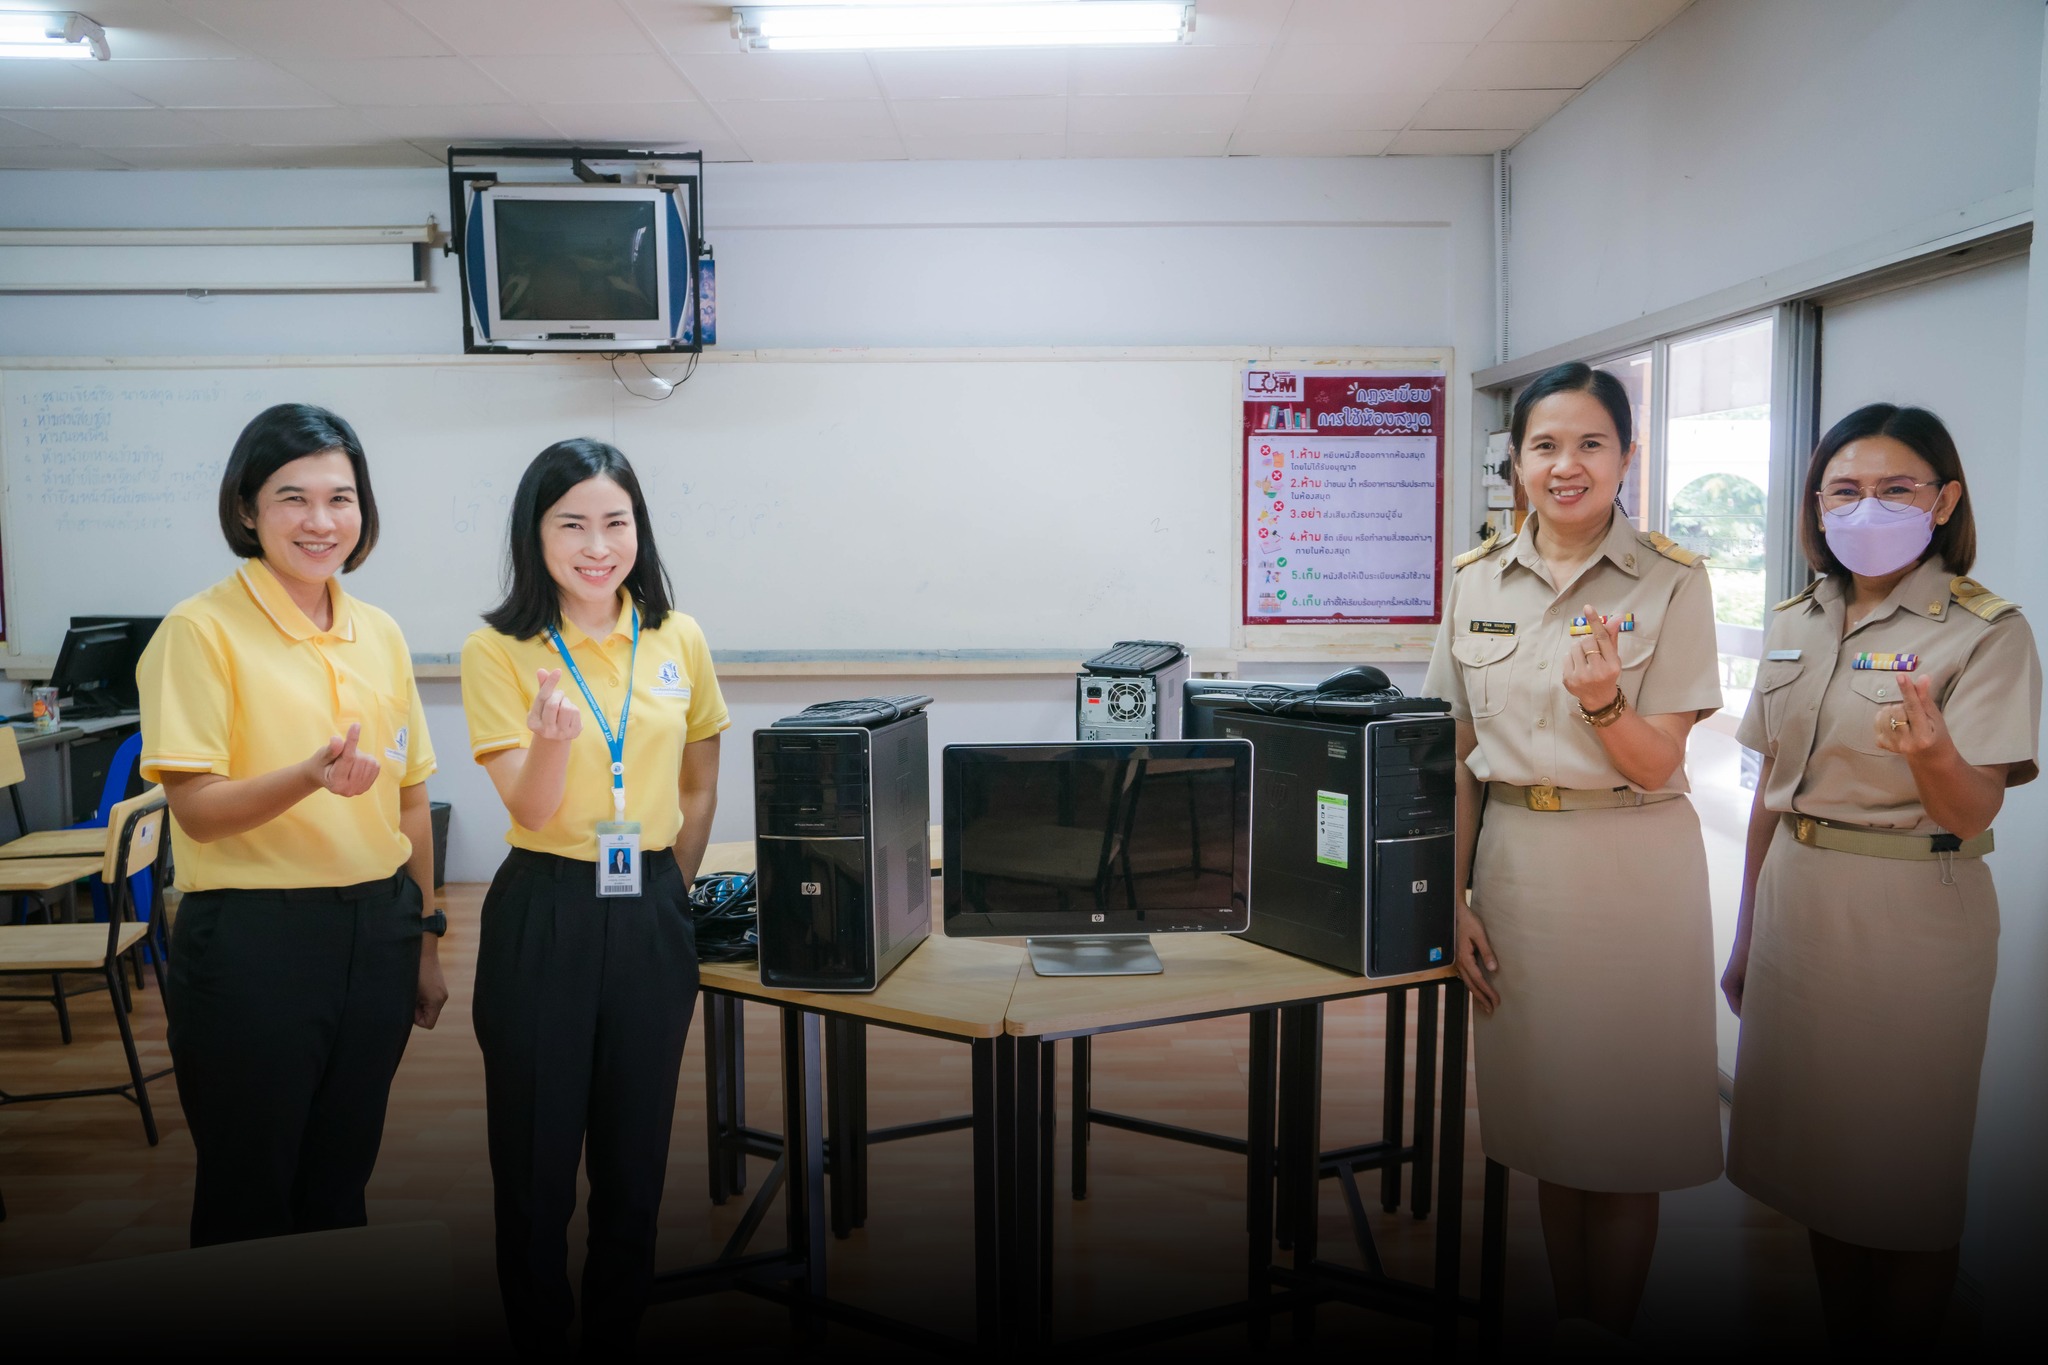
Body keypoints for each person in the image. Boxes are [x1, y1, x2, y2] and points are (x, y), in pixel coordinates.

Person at [1722, 404, 2039, 1347]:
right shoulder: (1795, 620)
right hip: (1797, 908)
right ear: (1816, 507)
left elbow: (1972, 810)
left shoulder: (1985, 631)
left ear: (1943, 500)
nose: (1869, 510)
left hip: (1914, 916)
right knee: (1821, 1170)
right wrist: (1745, 937)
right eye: (1844, 491)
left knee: (1906, 1184)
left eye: (1897, 489)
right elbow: (1770, 799)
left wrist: (1934, 752)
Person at [1425, 362, 1724, 1341]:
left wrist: (1602, 701)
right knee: (1549, 1126)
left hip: (1633, 868)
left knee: (1623, 1132)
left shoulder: (1670, 581)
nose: (1566, 465)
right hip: (1515, 868)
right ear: (1513, 463)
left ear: (1626, 456)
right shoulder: (1474, 582)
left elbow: (1656, 756)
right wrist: (1451, 899)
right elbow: (1454, 761)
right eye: (1544, 445)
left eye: (1590, 443)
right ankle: (1568, 1318)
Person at [138, 403, 445, 1247]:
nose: (321, 521)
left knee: (341, 1181)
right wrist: (306, 778)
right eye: (292, 498)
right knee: (250, 1194)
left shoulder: (377, 631)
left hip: (377, 930)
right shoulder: (198, 632)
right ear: (247, 508)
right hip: (253, 944)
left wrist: (422, 940)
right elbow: (196, 811)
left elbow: (411, 798)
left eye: (340, 498)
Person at [461, 437, 728, 1352]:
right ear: (535, 535)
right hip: (546, 906)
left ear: (638, 529)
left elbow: (698, 783)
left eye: (615, 521)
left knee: (635, 1157)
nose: (596, 543)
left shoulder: (675, 635)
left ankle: (616, 1330)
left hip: (650, 904)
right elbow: (530, 805)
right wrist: (550, 741)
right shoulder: (498, 649)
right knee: (535, 1163)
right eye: (570, 522)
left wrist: (672, 887)